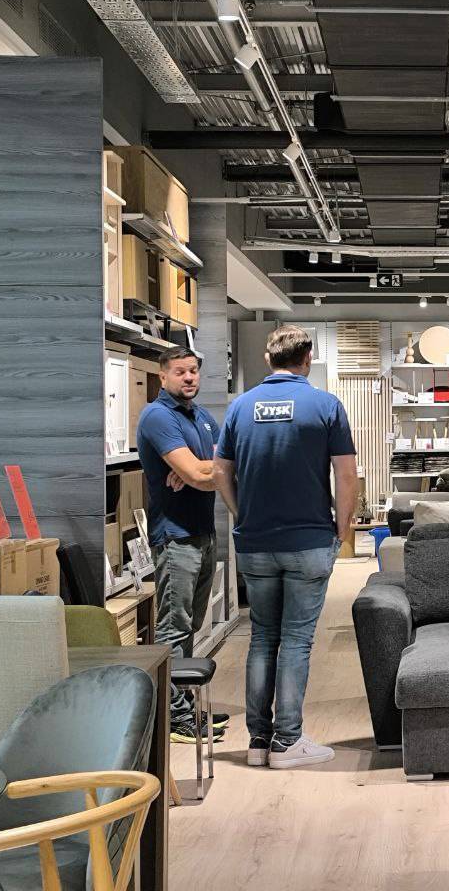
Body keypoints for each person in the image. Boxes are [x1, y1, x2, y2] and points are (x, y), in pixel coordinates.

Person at [214, 326, 358, 770]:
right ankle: (287, 742)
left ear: (268, 358)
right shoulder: (325, 405)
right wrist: (341, 529)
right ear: (307, 358)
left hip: (255, 542)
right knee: (296, 640)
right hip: (308, 540)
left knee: (262, 637)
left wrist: (241, 514)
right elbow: (346, 475)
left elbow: (220, 472)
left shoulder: (240, 407)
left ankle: (258, 741)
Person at [135, 346, 228, 744]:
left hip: (203, 534)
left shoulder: (202, 416)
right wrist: (196, 471)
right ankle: (174, 717)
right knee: (173, 628)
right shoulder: (158, 416)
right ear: (163, 376)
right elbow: (204, 472)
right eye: (180, 372)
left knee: (190, 626)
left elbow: (229, 465)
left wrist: (198, 470)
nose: (189, 377)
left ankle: (184, 704)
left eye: (193, 371)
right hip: (175, 538)